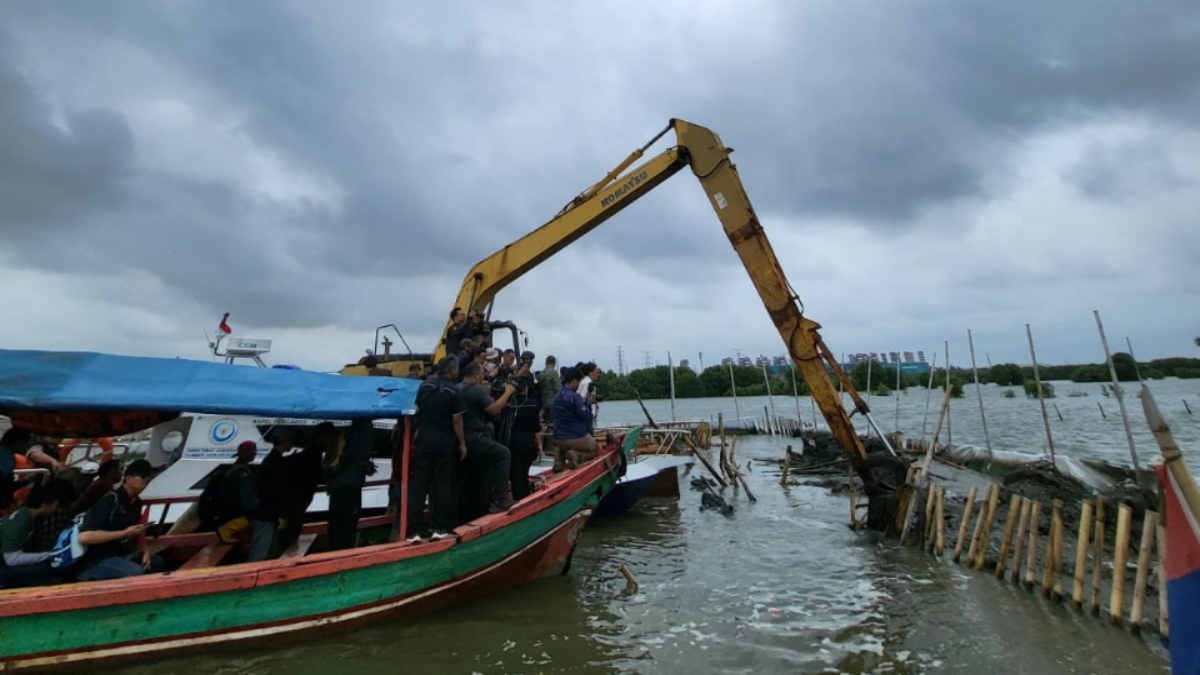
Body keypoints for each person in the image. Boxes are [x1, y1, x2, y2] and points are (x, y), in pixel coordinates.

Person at [407, 357, 466, 542]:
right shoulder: (454, 391)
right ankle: (439, 528)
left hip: (423, 439)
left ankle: (414, 531)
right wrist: (462, 443)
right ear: (451, 370)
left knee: (419, 485)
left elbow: (415, 411)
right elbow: (457, 420)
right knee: (442, 485)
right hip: (444, 442)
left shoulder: (424, 386)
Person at [76, 459, 162, 581]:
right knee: (137, 573)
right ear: (128, 478)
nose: (147, 480)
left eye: (149, 477)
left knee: (157, 562)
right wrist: (125, 533)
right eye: (143, 476)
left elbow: (139, 534)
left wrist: (145, 551)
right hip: (97, 559)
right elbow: (84, 537)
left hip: (121, 554)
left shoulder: (136, 503)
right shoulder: (110, 500)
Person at [460, 362, 517, 515]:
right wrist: (508, 392)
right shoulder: (475, 390)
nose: (483, 377)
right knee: (503, 454)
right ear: (476, 374)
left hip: (460, 439)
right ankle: (500, 500)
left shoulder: (457, 388)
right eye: (482, 374)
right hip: (474, 437)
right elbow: (495, 409)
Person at [0, 479, 67, 587]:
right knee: (45, 569)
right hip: (5, 563)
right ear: (45, 504)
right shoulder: (22, 523)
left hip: (5, 559)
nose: (56, 509)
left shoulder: (24, 513)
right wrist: (48, 555)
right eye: (55, 505)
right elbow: (12, 560)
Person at [324, 419, 375, 550]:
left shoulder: (347, 435)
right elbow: (355, 457)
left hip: (339, 487)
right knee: (346, 526)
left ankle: (335, 550)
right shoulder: (361, 432)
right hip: (349, 488)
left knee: (337, 525)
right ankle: (340, 551)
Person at [197, 441, 259, 542]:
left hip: (222, 513)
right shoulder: (242, 473)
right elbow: (246, 499)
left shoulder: (230, 470)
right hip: (233, 516)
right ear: (251, 455)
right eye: (254, 453)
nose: (255, 455)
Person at [248, 431, 295, 561]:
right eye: (290, 442)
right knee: (261, 552)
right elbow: (274, 491)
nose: (292, 444)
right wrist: (281, 515)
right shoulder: (275, 462)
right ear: (284, 443)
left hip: (267, 513)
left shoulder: (272, 459)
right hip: (266, 514)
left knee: (267, 550)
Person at [504, 352, 541, 500]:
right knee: (522, 473)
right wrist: (539, 447)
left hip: (512, 440)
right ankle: (523, 498)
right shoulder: (531, 403)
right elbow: (536, 428)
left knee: (516, 473)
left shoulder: (509, 402)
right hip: (525, 441)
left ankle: (518, 496)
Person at [1, 428, 62, 509]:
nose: (26, 447)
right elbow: (4, 481)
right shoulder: (5, 456)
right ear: (18, 442)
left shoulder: (6, 454)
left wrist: (27, 481)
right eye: (26, 443)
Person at [552, 367, 597, 470]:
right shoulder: (575, 397)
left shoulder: (557, 396)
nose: (578, 386)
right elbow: (586, 417)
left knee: (564, 442)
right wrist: (588, 404)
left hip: (557, 438)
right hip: (573, 437)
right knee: (595, 448)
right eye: (578, 382)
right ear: (574, 381)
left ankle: (560, 456)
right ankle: (576, 455)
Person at [539, 356, 560, 428]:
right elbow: (558, 388)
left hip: (543, 402)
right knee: (552, 425)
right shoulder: (554, 372)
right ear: (554, 363)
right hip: (552, 402)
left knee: (545, 424)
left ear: (545, 362)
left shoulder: (541, 373)